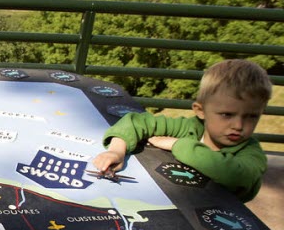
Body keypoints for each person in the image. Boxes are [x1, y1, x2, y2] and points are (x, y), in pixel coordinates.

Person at [92, 59, 272, 202]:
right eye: (227, 114)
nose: (238, 125)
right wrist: (117, 151)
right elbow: (136, 121)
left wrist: (179, 145)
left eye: (251, 116)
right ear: (200, 111)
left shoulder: (252, 153)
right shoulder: (192, 128)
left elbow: (235, 175)